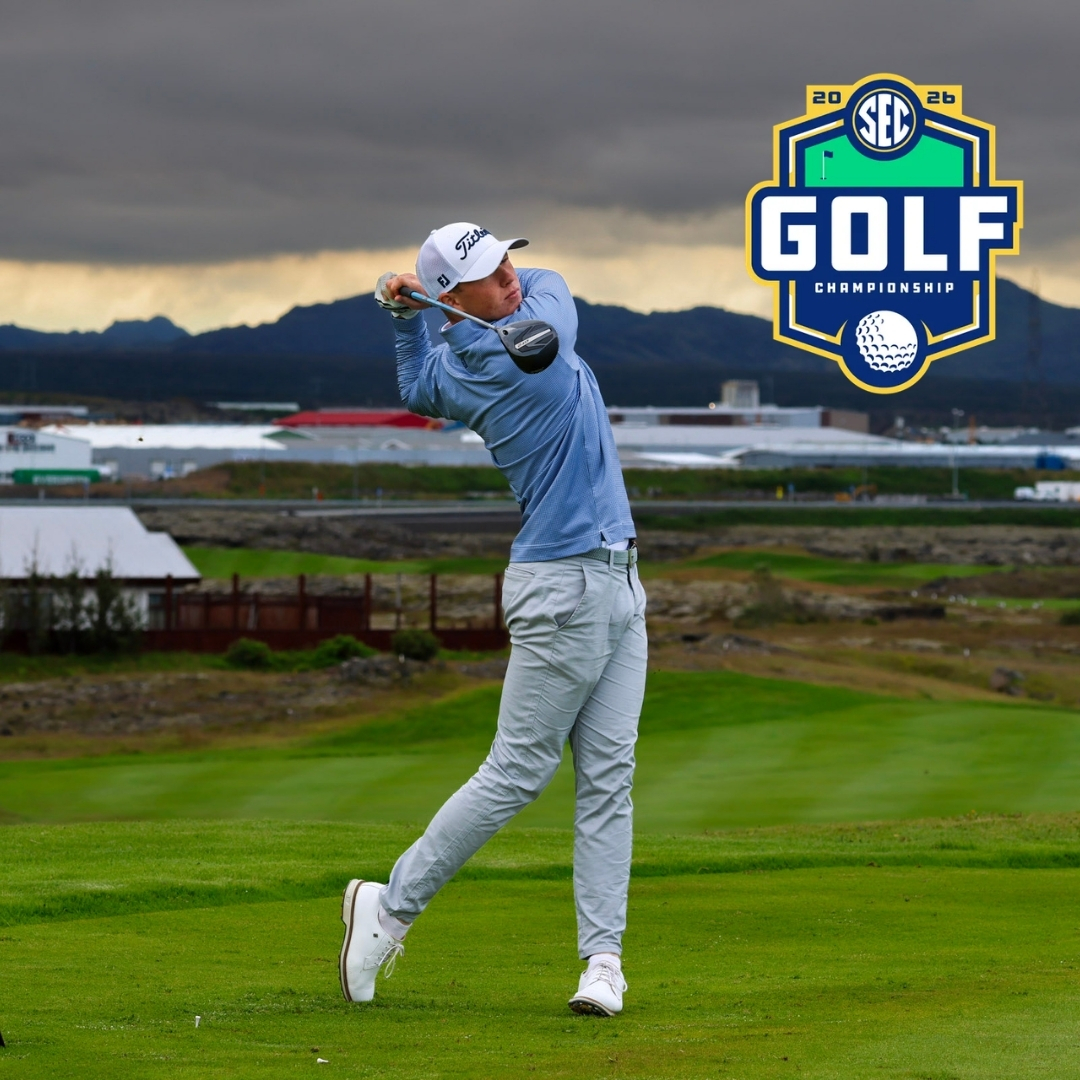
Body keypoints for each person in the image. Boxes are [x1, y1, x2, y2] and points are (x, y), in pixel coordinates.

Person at [339, 222, 647, 1017]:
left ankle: (601, 964)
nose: (511, 275)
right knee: (514, 774)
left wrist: (403, 319)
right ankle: (390, 908)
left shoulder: (452, 367)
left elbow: (415, 390)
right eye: (487, 271)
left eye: (505, 257)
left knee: (608, 781)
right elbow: (556, 290)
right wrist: (420, 311)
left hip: (617, 577)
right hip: (566, 584)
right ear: (456, 296)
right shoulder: (531, 351)